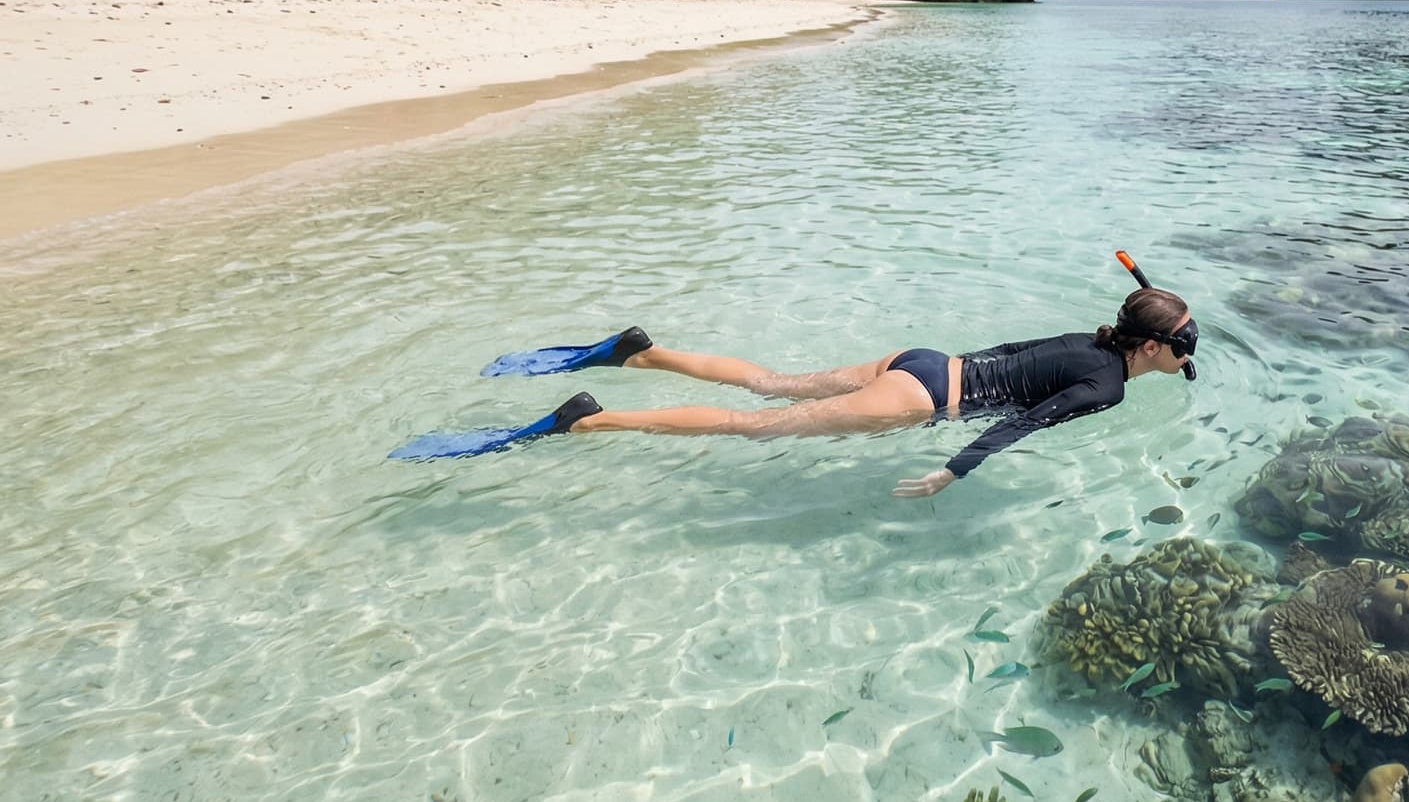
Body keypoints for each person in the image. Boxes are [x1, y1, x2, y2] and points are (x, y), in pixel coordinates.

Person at [391, 285, 1199, 498]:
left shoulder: (1089, 339)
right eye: (1182, 344)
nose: (1184, 355)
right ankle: (594, 421)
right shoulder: (1109, 387)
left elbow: (1011, 359)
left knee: (769, 380)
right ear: (1153, 345)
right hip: (922, 404)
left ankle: (641, 352)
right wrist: (955, 469)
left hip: (922, 360)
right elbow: (1029, 421)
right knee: (754, 426)